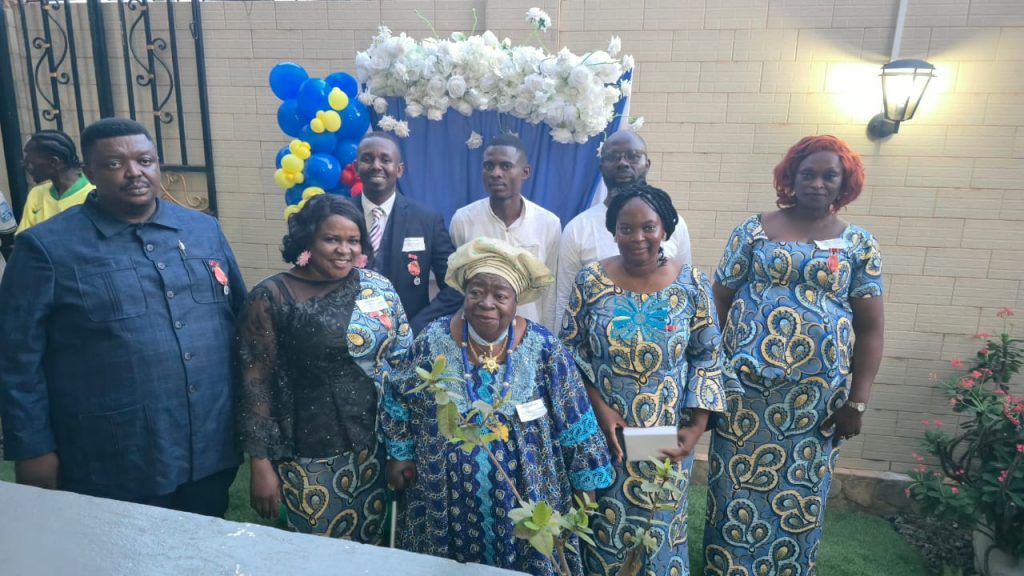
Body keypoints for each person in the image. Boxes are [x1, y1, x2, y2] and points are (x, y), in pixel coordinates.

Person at [0, 118, 244, 516]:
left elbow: (239, 323)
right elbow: (16, 360)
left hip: (208, 445)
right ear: (90, 172)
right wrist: (32, 448)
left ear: (158, 164)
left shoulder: (203, 231)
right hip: (115, 455)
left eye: (144, 161)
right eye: (114, 164)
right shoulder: (45, 249)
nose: (134, 173)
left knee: (205, 543)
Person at [702, 135, 884, 574]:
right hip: (745, 393)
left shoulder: (859, 244)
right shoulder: (753, 231)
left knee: (801, 494)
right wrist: (708, 373)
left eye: (829, 175)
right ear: (791, 177)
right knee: (735, 488)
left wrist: (857, 401)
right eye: (808, 174)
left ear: (844, 182)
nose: (818, 183)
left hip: (815, 404)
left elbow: (871, 329)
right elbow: (718, 302)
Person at [383, 237, 613, 575]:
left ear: (516, 301)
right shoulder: (432, 341)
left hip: (529, 500)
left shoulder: (545, 349)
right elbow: (398, 396)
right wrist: (400, 453)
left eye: (500, 296)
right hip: (442, 499)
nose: (486, 304)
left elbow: (576, 422)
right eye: (475, 292)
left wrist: (585, 484)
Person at [561, 183, 727, 576]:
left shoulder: (693, 285)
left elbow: (708, 356)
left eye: (648, 227)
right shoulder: (590, 281)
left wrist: (695, 430)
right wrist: (599, 410)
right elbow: (570, 354)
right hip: (605, 437)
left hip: (666, 437)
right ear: (613, 231)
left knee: (660, 530)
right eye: (626, 228)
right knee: (604, 530)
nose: (638, 237)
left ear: (665, 228)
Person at [236, 193, 412, 542]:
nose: (344, 250)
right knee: (316, 551)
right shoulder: (272, 296)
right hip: (308, 452)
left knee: (373, 548)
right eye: (332, 239)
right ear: (308, 241)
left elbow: (403, 364)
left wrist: (401, 447)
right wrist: (260, 462)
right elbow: (255, 383)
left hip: (374, 446)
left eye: (353, 241)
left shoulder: (377, 287)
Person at [554, 130, 692, 329]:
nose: (623, 163)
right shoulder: (578, 229)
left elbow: (686, 289)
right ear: (601, 168)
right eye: (613, 157)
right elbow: (564, 300)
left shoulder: (672, 223)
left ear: (647, 164)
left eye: (633, 156)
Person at [352, 132, 462, 334]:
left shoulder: (427, 220)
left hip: (408, 338)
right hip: (347, 336)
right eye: (367, 159)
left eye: (385, 160)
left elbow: (455, 287)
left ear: (399, 169)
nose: (376, 166)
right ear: (356, 167)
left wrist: (416, 327)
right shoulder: (338, 217)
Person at [449, 134, 561, 330]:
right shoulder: (463, 220)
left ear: (525, 172)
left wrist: (548, 336)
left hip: (529, 333)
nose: (496, 173)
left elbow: (550, 290)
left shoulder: (548, 223)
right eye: (489, 166)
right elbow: (459, 287)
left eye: (506, 166)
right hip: (477, 332)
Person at [17, 129, 95, 234]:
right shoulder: (36, 194)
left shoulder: (94, 195)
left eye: (30, 162)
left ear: (53, 162)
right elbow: (22, 239)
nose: (26, 167)